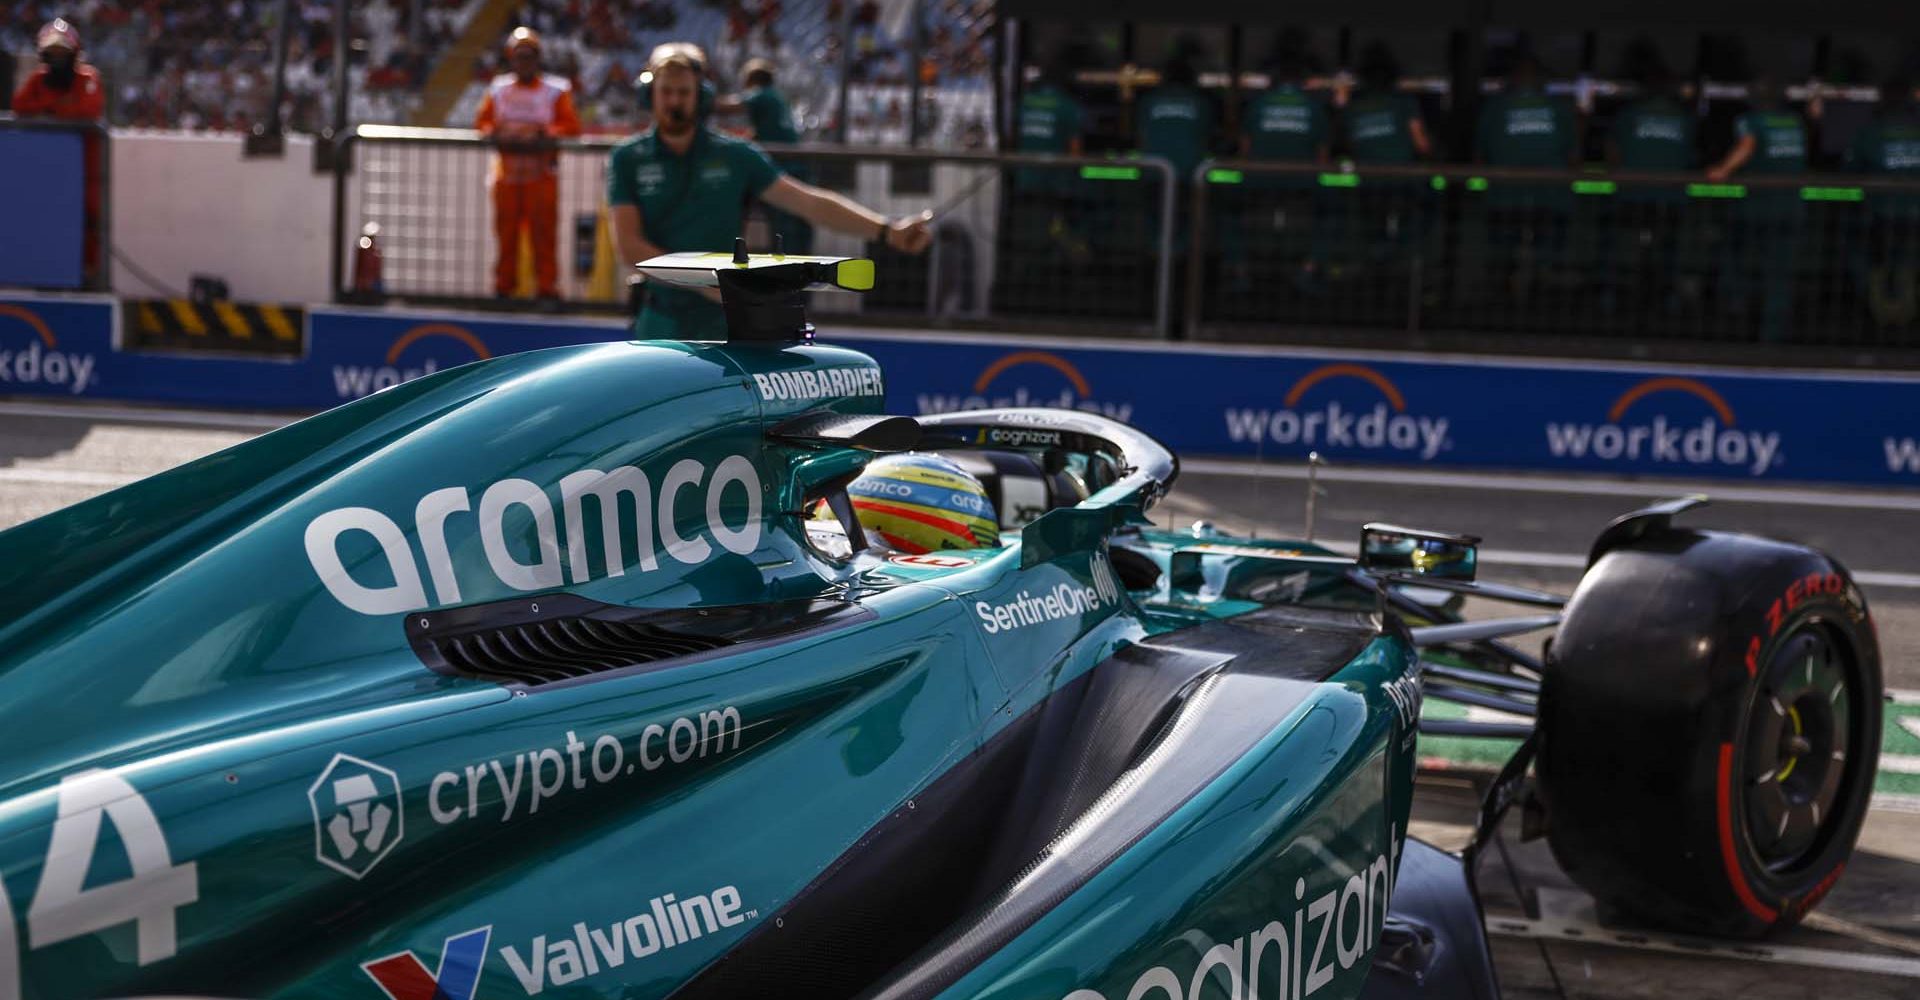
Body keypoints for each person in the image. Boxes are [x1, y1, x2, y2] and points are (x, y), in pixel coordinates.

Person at [608, 43, 931, 340]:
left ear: (701, 96)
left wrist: (887, 231)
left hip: (726, 319)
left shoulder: (736, 155)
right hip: (660, 319)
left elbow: (808, 203)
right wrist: (703, 283)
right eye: (666, 92)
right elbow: (629, 246)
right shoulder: (627, 158)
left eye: (683, 92)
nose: (675, 102)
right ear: (649, 95)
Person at [475, 27, 581, 302]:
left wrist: (545, 134)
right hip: (507, 176)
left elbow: (570, 126)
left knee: (544, 236)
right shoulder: (498, 90)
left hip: (541, 177)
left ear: (538, 58)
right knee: (505, 235)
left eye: (529, 55)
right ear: (511, 58)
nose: (524, 61)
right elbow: (482, 123)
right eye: (519, 55)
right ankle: (503, 288)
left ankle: (547, 289)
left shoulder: (556, 91)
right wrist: (498, 132)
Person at [1706, 73, 1807, 340]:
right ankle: (1773, 333)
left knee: (1737, 259)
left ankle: (1737, 320)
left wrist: (1723, 170)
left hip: (1760, 209)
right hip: (1791, 207)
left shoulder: (1750, 121)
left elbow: (1747, 145)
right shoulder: (1794, 121)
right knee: (1779, 274)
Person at [13, 18, 106, 283]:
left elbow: (88, 110)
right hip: (48, 170)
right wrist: (59, 108)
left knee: (89, 222)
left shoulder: (88, 78)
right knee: (46, 222)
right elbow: (19, 105)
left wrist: (49, 109)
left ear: (74, 53)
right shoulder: (38, 80)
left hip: (86, 172)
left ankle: (90, 276)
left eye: (62, 51)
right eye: (52, 52)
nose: (57, 57)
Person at [1608, 60, 1698, 321]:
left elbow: (1612, 151)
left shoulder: (1632, 115)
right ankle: (1647, 299)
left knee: (1640, 253)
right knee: (1655, 254)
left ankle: (1632, 300)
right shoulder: (1679, 117)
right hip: (1655, 198)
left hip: (1643, 196)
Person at [718, 58, 813, 254]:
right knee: (789, 222)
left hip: (782, 165)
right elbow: (760, 132)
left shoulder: (761, 95)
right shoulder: (776, 97)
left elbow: (727, 107)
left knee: (783, 222)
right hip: (791, 163)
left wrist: (700, 96)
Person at [1848, 73, 1920, 327]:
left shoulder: (1871, 132)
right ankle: (1904, 319)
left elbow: (1851, 169)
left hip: (1881, 214)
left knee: (1879, 267)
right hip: (1909, 215)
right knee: (1905, 267)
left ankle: (1881, 319)